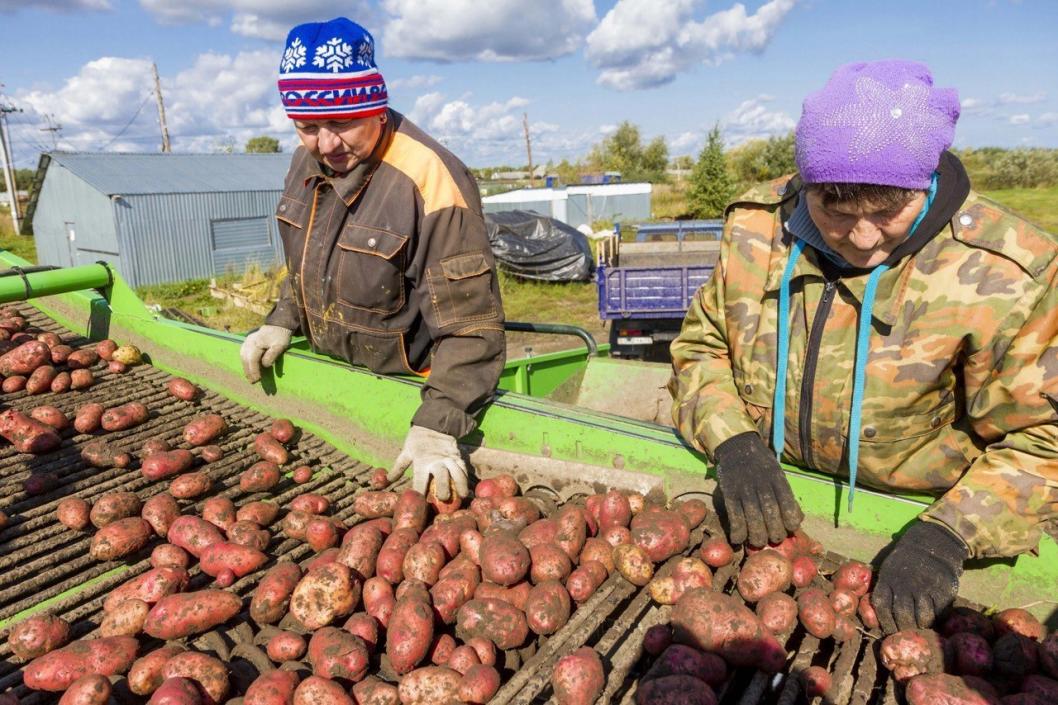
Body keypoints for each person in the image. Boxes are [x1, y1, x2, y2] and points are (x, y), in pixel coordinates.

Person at [669, 60, 1058, 633]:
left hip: (920, 524)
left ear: (924, 183)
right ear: (806, 185)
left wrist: (949, 535)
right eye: (835, 210)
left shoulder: (1007, 274)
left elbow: (1043, 439)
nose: (863, 238)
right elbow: (702, 347)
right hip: (779, 515)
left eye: (887, 212)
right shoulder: (756, 230)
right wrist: (734, 443)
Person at [241, 17, 505, 501]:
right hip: (338, 387)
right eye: (306, 126)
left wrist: (437, 424)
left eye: (341, 122)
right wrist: (282, 319)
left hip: (413, 395)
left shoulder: (430, 177)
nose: (325, 144)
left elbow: (472, 325)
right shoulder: (309, 158)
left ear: (376, 108)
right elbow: (309, 259)